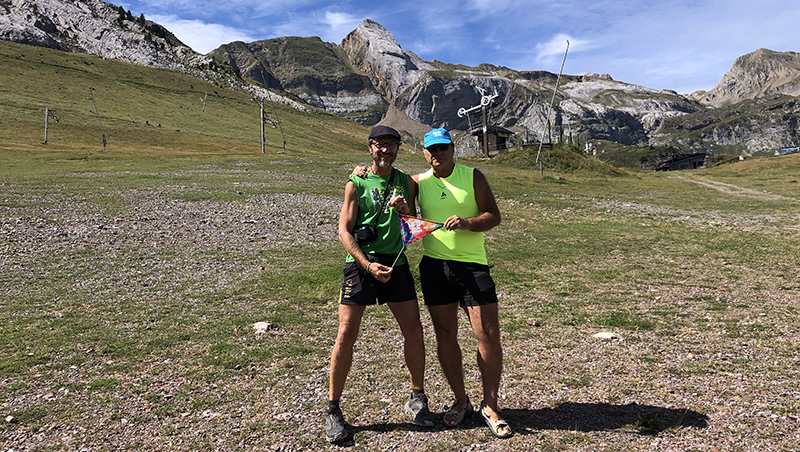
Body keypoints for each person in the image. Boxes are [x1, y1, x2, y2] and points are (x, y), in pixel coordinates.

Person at [325, 125, 434, 442]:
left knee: (414, 330)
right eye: (379, 145)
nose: (385, 150)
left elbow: (413, 222)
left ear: (398, 148)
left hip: (396, 262)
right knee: (346, 333)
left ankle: (417, 397)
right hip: (361, 265)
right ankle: (333, 408)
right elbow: (344, 231)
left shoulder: (407, 182)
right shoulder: (355, 182)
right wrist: (366, 264)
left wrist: (404, 211)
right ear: (370, 148)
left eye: (391, 145)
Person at [413, 128, 512, 438]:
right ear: (425, 153)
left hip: (473, 266)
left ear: (452, 150)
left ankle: (490, 405)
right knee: (445, 335)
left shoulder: (473, 176)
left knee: (488, 334)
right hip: (435, 267)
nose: (437, 154)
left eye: (443, 148)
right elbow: (393, 191)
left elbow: (494, 216)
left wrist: (468, 223)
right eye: (431, 149)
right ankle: (461, 400)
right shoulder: (418, 182)